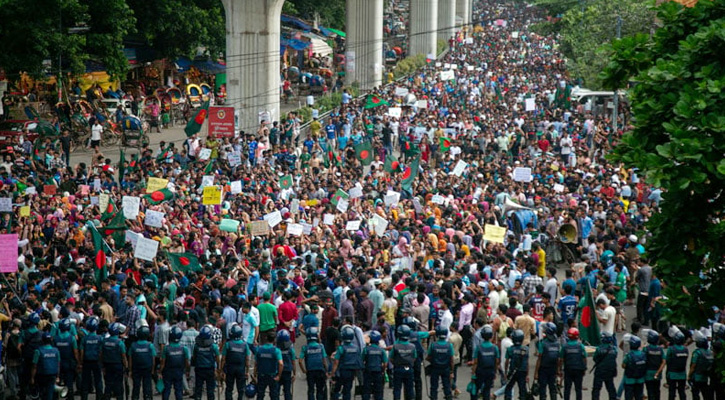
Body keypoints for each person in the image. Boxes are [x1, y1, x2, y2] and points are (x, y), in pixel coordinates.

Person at [331, 326, 362, 400]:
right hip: (351, 372)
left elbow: (336, 362)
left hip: (341, 372)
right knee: (347, 390)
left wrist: (332, 373)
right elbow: (358, 361)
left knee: (336, 390)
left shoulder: (341, 348)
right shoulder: (356, 348)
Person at [220, 324, 250, 400]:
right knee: (241, 389)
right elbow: (247, 359)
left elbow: (223, 359)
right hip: (241, 369)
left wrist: (221, 370)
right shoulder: (245, 345)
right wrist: (247, 371)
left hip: (230, 369)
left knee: (229, 388)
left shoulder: (227, 344)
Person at [160, 326, 190, 400]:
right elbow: (187, 362)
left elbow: (163, 363)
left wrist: (160, 372)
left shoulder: (166, 349)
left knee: (166, 390)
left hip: (168, 372)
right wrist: (187, 371)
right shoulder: (184, 348)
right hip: (179, 372)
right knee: (179, 390)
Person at [299, 327, 328, 400]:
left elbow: (300, 361)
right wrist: (327, 371)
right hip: (320, 371)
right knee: (320, 390)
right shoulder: (321, 346)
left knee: (311, 390)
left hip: (310, 371)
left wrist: (303, 370)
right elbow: (324, 360)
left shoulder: (305, 348)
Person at [101, 322, 128, 400]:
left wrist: (102, 365)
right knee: (118, 384)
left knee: (108, 384)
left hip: (107, 365)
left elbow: (101, 354)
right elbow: (123, 356)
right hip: (118, 366)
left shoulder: (104, 341)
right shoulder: (120, 343)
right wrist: (126, 367)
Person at [471, 325, 499, 400]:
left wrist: (473, 373)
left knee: (476, 389)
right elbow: (496, 362)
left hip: (480, 371)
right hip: (490, 371)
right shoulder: (495, 348)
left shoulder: (479, 348)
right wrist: (495, 372)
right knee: (487, 390)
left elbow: (475, 362)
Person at [192, 325, 220, 400]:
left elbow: (194, 357)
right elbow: (217, 358)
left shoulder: (196, 346)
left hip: (199, 369)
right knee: (210, 390)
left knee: (198, 389)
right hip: (210, 369)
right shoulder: (213, 346)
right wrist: (218, 368)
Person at [129, 325, 156, 400]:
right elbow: (153, 359)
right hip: (147, 369)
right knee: (147, 386)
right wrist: (153, 370)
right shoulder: (150, 345)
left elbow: (130, 359)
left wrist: (130, 370)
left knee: (136, 386)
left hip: (136, 369)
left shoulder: (133, 345)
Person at [54, 318, 79, 400]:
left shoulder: (56, 338)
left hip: (58, 364)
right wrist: (78, 362)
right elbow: (75, 352)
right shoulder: (72, 338)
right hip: (69, 363)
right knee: (69, 383)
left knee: (56, 383)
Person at [660, 329, 688, 400]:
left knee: (672, 391)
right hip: (682, 374)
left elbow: (667, 360)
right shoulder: (685, 349)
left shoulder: (671, 349)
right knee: (682, 391)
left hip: (672, 374)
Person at [30, 332, 60, 400]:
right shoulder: (56, 351)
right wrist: (58, 376)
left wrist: (32, 378)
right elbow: (58, 364)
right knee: (50, 393)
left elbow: (34, 366)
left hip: (41, 375)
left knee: (42, 393)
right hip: (52, 375)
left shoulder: (38, 351)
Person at [390, 325, 416, 400]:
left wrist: (396, 363)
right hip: (409, 369)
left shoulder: (395, 346)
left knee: (397, 389)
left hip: (398, 369)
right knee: (409, 389)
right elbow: (414, 358)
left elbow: (391, 358)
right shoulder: (412, 346)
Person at [427, 326, 454, 400]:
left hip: (435, 368)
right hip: (446, 368)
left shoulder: (433, 345)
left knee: (434, 387)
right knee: (447, 386)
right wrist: (452, 371)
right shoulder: (449, 345)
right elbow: (451, 360)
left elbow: (428, 357)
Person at [534, 322, 560, 400]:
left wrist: (536, 372)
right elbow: (559, 358)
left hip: (543, 369)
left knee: (543, 389)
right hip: (553, 368)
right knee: (553, 388)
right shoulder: (557, 343)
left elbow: (539, 358)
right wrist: (558, 370)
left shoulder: (543, 343)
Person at [80, 316, 104, 400]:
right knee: (98, 381)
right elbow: (101, 352)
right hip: (96, 361)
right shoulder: (100, 338)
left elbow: (82, 352)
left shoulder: (84, 338)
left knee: (85, 381)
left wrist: (80, 363)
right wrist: (101, 362)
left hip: (86, 362)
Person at [560, 327, 586, 400]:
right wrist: (584, 368)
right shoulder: (581, 346)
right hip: (579, 369)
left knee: (567, 388)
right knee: (578, 389)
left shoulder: (565, 346)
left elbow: (561, 359)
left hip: (568, 369)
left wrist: (559, 369)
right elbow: (584, 358)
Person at [255, 331, 283, 400]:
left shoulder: (259, 349)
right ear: (274, 340)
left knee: (260, 395)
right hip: (272, 375)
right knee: (274, 395)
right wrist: (279, 375)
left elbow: (256, 363)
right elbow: (281, 363)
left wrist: (255, 375)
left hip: (261, 375)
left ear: (266, 338)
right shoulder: (276, 351)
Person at [592, 332, 618, 400]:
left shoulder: (599, 349)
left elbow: (595, 358)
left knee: (596, 389)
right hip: (610, 371)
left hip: (600, 371)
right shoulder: (614, 349)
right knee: (610, 387)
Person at [503, 329, 528, 400]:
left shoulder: (510, 349)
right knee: (522, 389)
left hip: (512, 371)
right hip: (522, 371)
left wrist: (505, 372)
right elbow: (527, 362)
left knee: (508, 387)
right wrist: (527, 374)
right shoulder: (525, 349)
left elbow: (507, 362)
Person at [362, 330, 387, 400]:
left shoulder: (366, 349)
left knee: (366, 390)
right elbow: (385, 363)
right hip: (378, 372)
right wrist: (383, 370)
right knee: (378, 390)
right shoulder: (382, 350)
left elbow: (362, 360)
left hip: (368, 372)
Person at [688, 334, 714, 400]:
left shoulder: (697, 352)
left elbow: (693, 365)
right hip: (705, 377)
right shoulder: (710, 352)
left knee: (695, 393)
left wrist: (689, 375)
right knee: (705, 393)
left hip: (696, 377)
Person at [621, 336, 646, 400]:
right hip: (640, 379)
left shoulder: (628, 355)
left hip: (630, 380)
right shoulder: (643, 354)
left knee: (629, 396)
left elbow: (623, 365)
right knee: (639, 396)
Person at [643, 330, 665, 400]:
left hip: (648, 374)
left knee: (650, 392)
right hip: (657, 374)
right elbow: (664, 361)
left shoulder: (646, 349)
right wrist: (658, 372)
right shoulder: (660, 349)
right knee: (657, 391)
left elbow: (643, 360)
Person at [276, 330, 296, 400]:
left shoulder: (276, 349)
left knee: (276, 391)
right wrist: (294, 373)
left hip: (277, 372)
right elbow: (293, 362)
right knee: (287, 391)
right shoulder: (291, 349)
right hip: (287, 372)